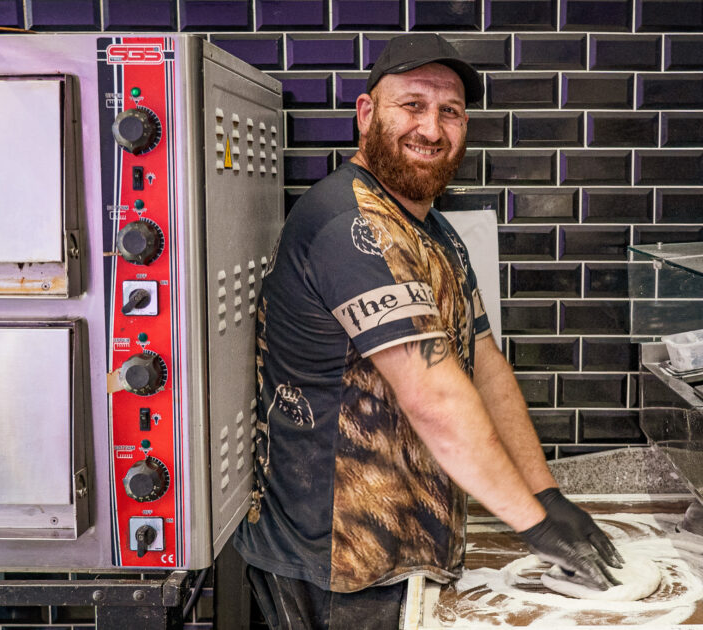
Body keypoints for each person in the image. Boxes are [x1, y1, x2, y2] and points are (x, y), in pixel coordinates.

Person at [233, 33, 624, 630]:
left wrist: (544, 494)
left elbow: (484, 364)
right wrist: (535, 524)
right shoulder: (350, 225)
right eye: (412, 105)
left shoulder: (434, 230)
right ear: (367, 114)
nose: (432, 129)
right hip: (337, 561)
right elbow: (434, 397)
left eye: (450, 111)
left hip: (399, 549)